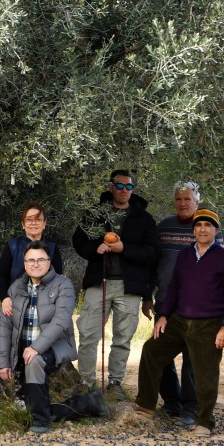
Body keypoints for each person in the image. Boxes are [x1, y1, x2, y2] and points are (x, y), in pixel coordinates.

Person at [134, 210, 224, 437]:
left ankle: (204, 421)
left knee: (205, 373)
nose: (202, 229)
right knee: (152, 350)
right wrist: (163, 315)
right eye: (198, 225)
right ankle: (145, 405)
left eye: (208, 226)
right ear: (193, 231)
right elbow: (174, 289)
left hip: (209, 324)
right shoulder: (184, 255)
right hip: (179, 320)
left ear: (216, 231)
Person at [0, 241, 108, 433]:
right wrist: (3, 362)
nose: (35, 264)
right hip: (24, 352)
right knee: (33, 405)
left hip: (54, 348)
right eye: (30, 260)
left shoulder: (63, 285)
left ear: (49, 262)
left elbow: (61, 320)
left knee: (36, 362)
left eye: (41, 259)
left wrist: (36, 348)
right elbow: (5, 327)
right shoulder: (16, 288)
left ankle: (41, 422)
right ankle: (87, 403)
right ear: (24, 264)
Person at [0, 202, 64, 413]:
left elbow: (57, 281)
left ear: (44, 223)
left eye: (38, 219)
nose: (33, 223)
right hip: (13, 306)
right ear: (23, 224)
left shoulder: (53, 249)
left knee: (27, 348)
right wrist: (4, 298)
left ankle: (21, 396)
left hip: (39, 311)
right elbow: (2, 276)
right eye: (29, 219)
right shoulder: (13, 246)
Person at [72, 169, 159, 399]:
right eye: (119, 186)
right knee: (89, 334)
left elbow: (152, 253)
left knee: (123, 338)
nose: (124, 190)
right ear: (111, 187)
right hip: (98, 283)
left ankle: (115, 384)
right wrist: (95, 249)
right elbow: (78, 241)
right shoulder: (95, 213)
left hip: (129, 288)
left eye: (129, 186)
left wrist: (125, 249)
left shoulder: (144, 218)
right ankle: (86, 383)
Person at [148, 180, 223, 426]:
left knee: (194, 359)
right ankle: (172, 403)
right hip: (166, 304)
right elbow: (152, 264)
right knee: (160, 354)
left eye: (187, 199)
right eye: (178, 199)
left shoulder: (210, 229)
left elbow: (218, 268)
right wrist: (147, 296)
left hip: (199, 309)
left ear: (197, 202)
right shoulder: (163, 228)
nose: (182, 203)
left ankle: (192, 409)